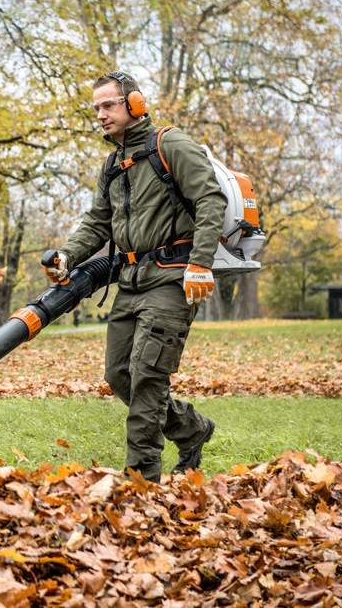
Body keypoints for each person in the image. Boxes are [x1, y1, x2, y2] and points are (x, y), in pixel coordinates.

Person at [45, 71, 225, 483]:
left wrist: (200, 262)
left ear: (135, 104)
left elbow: (210, 199)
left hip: (172, 279)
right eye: (96, 109)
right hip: (130, 281)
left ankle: (141, 481)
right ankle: (191, 428)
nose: (101, 115)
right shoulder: (112, 164)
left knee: (147, 376)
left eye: (108, 105)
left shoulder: (171, 144)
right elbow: (97, 223)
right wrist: (67, 256)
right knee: (119, 376)